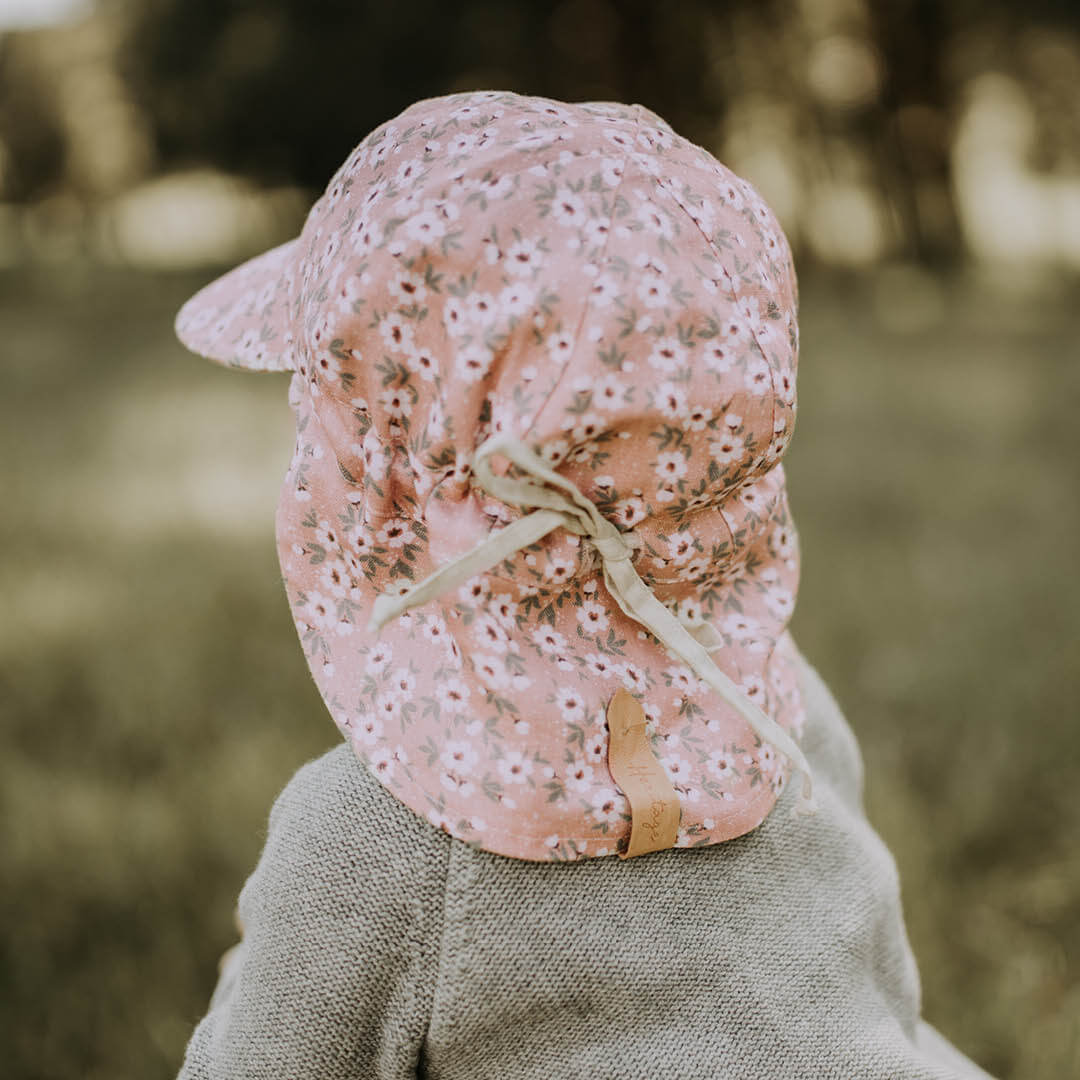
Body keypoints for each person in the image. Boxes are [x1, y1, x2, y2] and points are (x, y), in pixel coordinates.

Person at [172, 90, 996, 1079]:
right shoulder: (784, 721)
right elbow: (877, 995)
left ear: (372, 490)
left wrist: (250, 978)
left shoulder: (364, 846)